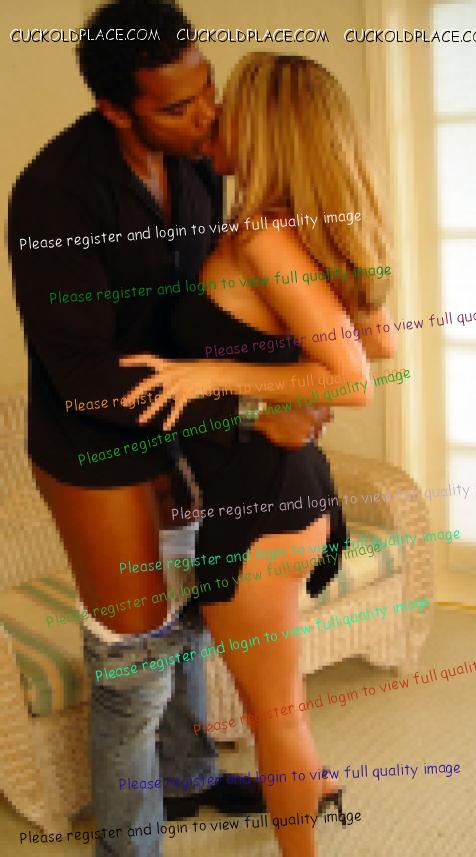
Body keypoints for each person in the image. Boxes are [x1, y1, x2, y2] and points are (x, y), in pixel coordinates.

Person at [7, 4, 330, 856]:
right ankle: (128, 846)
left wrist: (290, 372)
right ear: (115, 108)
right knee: (135, 658)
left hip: (180, 420)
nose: (207, 116)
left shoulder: (197, 162)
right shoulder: (55, 194)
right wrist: (247, 404)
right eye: (178, 107)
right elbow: (83, 375)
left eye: (208, 91)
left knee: (184, 611)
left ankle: (187, 780)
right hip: (94, 441)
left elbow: (208, 305)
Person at [121, 52, 397, 856]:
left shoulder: (267, 237)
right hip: (283, 494)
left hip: (263, 508)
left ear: (267, 128)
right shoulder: (287, 229)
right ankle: (315, 787)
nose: (212, 119)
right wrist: (270, 395)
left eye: (227, 107)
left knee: (276, 718)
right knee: (278, 706)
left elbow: (353, 377)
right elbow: (377, 340)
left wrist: (214, 373)